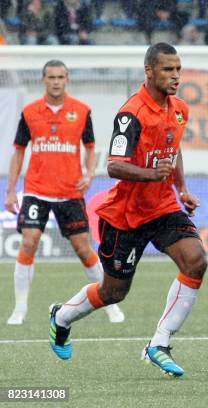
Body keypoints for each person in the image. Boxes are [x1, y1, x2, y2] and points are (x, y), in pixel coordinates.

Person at [47, 43, 207, 378]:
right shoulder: (131, 113)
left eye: (178, 69)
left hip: (163, 207)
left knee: (196, 261)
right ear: (149, 71)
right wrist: (153, 175)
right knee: (114, 292)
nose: (175, 76)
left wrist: (182, 188)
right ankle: (61, 317)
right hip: (125, 216)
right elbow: (115, 166)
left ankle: (159, 344)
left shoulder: (178, 109)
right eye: (168, 69)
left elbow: (172, 150)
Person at [4, 60, 124, 326]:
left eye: (60, 77)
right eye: (51, 77)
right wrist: (11, 190)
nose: (56, 81)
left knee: (83, 248)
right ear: (43, 79)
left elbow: (91, 147)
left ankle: (109, 303)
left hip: (70, 192)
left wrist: (89, 173)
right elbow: (19, 151)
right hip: (37, 190)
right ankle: (20, 308)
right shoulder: (30, 112)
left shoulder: (81, 111)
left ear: (67, 79)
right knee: (29, 241)